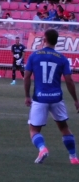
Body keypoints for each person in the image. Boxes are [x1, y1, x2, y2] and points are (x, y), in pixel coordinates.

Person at [23, 28, 79, 164]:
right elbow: (69, 81)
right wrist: (76, 100)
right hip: (56, 98)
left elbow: (27, 77)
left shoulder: (34, 56)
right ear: (56, 41)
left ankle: (42, 149)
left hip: (40, 98)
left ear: (44, 40)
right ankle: (73, 157)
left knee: (34, 130)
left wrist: (27, 96)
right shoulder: (62, 58)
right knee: (64, 127)